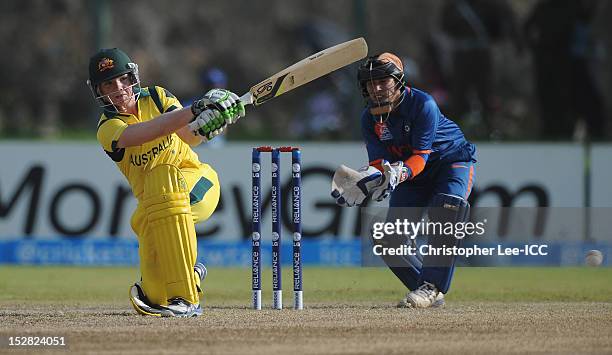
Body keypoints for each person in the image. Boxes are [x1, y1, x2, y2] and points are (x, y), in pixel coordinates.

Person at [87, 48, 245, 317]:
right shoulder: (107, 128)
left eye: (123, 79)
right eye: (109, 84)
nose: (119, 88)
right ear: (99, 91)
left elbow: (187, 135)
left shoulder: (158, 96)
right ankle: (189, 273)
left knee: (164, 180)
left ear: (133, 78)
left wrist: (207, 126)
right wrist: (195, 109)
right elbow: (146, 132)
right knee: (155, 295)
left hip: (197, 182)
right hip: (157, 204)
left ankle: (187, 298)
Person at [331, 53, 476, 308]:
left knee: (447, 210)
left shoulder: (423, 104)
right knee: (388, 237)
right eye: (369, 83)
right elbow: (378, 164)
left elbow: (420, 158)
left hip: (449, 162)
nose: (376, 89)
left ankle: (432, 286)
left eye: (383, 81)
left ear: (398, 81)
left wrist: (399, 174)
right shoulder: (368, 118)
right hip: (409, 176)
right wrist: (367, 180)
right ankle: (428, 289)